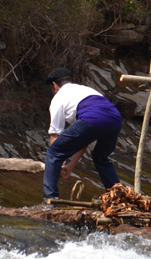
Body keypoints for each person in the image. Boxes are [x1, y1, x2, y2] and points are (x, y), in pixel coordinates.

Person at [42, 67, 123, 199]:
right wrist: (70, 166)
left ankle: (50, 199)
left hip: (92, 118)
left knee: (53, 152)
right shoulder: (87, 90)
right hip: (115, 119)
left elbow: (54, 136)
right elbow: (83, 139)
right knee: (100, 158)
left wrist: (57, 164)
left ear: (54, 84)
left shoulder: (58, 98)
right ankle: (119, 198)